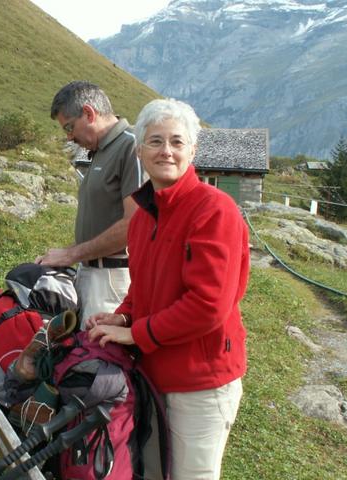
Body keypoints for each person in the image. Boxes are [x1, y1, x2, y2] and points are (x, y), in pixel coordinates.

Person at [87, 98, 250, 480]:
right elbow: (144, 285)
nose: (167, 151)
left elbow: (208, 305)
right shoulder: (145, 214)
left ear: (192, 151)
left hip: (200, 383)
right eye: (156, 141)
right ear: (139, 150)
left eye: (177, 142)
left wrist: (135, 333)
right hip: (153, 373)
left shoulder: (214, 210)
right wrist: (123, 315)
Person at [36, 81, 144, 329]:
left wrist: (71, 254)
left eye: (69, 127)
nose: (69, 137)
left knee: (98, 350)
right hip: (92, 274)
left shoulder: (131, 146)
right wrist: (64, 254)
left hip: (113, 279)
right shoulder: (101, 150)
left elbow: (135, 224)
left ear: (89, 113)